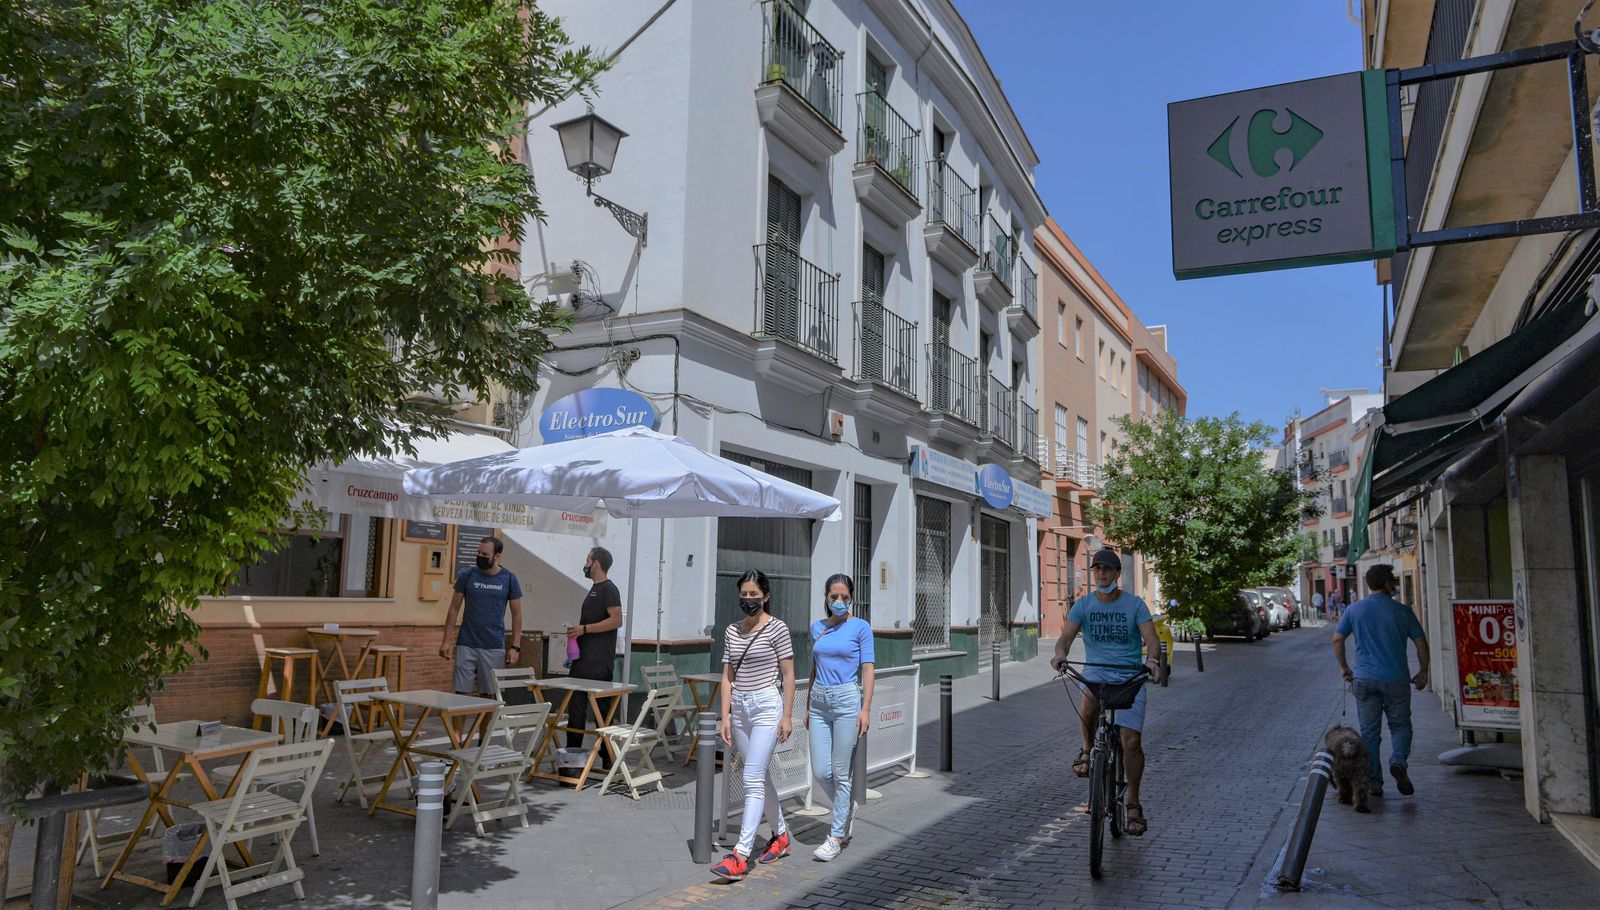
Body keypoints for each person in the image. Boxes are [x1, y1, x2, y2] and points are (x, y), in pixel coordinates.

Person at [1050, 548, 1165, 836]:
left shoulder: (1135, 605)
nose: (1101, 574)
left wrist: (1152, 661)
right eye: (1097, 569)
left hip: (1129, 674)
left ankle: (1134, 804)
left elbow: (1152, 641)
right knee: (1087, 700)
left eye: (1107, 569)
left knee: (1131, 742)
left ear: (1117, 574)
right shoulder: (1084, 605)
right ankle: (1088, 751)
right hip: (1097, 670)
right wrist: (1060, 655)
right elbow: (1064, 639)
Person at [710, 570, 796, 882]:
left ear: (766, 596)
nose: (748, 600)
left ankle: (741, 855)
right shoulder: (732, 631)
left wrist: (787, 716)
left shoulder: (778, 629)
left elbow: (788, 675)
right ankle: (782, 835)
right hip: (740, 711)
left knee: (752, 777)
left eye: (754, 595)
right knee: (759, 775)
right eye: (744, 595)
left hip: (766, 707)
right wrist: (725, 715)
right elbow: (726, 676)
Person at [1332, 563, 1429, 798]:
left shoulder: (1354, 610)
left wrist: (1345, 668)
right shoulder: (1402, 611)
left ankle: (1374, 782)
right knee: (1401, 726)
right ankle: (1398, 761)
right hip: (1396, 679)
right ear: (1387, 583)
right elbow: (1420, 643)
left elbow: (1337, 639)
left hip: (1364, 679)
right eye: (1393, 581)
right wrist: (1424, 671)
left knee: (1369, 733)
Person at [804, 574, 875, 862]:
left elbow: (868, 668)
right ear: (826, 598)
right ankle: (847, 809)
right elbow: (813, 667)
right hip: (819, 700)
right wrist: (808, 704)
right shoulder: (816, 628)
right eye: (834, 596)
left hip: (847, 699)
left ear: (852, 597)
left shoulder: (860, 627)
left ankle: (836, 836)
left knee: (841, 772)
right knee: (821, 771)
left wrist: (866, 708)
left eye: (845, 597)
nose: (839, 601)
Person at [438, 536, 522, 695]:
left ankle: (484, 722)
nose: (480, 557)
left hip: (493, 645)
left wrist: (515, 647)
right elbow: (453, 609)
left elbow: (517, 615)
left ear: (497, 556)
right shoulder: (467, 575)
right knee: (460, 695)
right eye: (478, 553)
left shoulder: (509, 579)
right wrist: (446, 640)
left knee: (491, 695)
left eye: (485, 555)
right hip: (466, 643)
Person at [565, 547, 623, 756]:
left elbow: (617, 620)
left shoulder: (609, 589)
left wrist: (585, 629)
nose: (586, 565)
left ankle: (607, 756)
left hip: (598, 663)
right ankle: (572, 756)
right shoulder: (594, 589)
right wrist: (577, 635)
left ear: (596, 563)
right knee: (576, 708)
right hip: (583, 660)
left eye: (587, 560)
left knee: (601, 711)